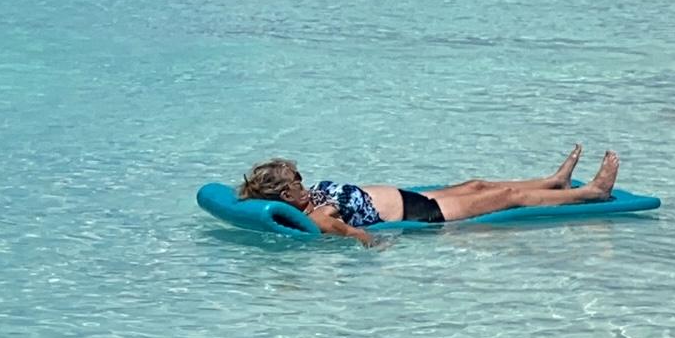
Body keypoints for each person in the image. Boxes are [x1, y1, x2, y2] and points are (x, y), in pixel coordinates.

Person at [233, 146, 622, 246]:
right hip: (423, 213)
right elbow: (345, 232)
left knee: (477, 183)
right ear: (287, 192)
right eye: (297, 177)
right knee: (505, 197)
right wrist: (368, 241)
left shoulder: (312, 198)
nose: (304, 179)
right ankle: (592, 193)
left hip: (412, 196)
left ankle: (553, 181)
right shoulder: (317, 212)